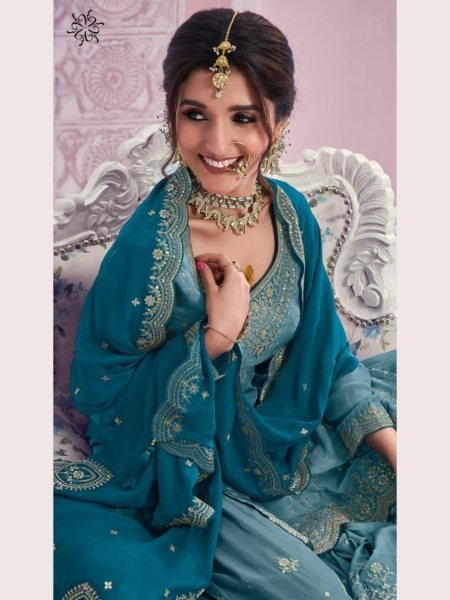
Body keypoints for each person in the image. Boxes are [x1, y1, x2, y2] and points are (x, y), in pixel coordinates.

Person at [54, 8, 397, 600]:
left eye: (243, 117)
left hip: (290, 428)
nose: (217, 144)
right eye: (195, 115)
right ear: (172, 116)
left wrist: (396, 453)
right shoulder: (151, 248)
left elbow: (331, 357)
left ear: (279, 121)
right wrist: (215, 337)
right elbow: (103, 394)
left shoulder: (290, 214)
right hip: (196, 467)